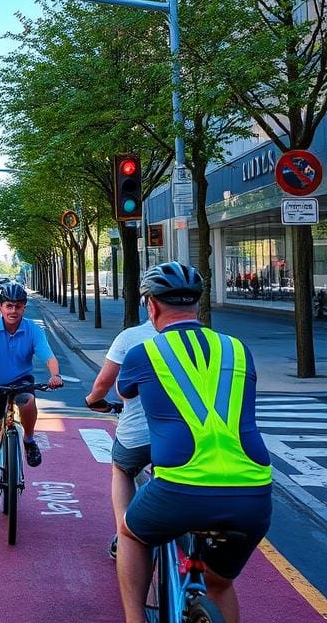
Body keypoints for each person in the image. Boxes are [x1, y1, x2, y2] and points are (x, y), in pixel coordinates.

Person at [116, 262, 272, 623]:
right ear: (198, 306)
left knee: (131, 532)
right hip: (253, 493)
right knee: (219, 584)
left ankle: (133, 619)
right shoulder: (238, 349)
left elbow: (125, 391)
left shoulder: (144, 353)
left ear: (151, 306)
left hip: (181, 489)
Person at [0, 283, 63, 507]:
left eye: (18, 306)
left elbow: (49, 357)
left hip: (21, 383)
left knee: (28, 402)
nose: (13, 311)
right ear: (0, 306)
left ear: (24, 307)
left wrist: (55, 375)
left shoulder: (33, 329)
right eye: (8, 305)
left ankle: (29, 439)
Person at [85, 316, 158, 559]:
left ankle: (124, 536)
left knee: (122, 468)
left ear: (151, 304)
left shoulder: (131, 338)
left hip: (137, 433)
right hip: (192, 436)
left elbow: (106, 383)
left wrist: (93, 400)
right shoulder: (215, 341)